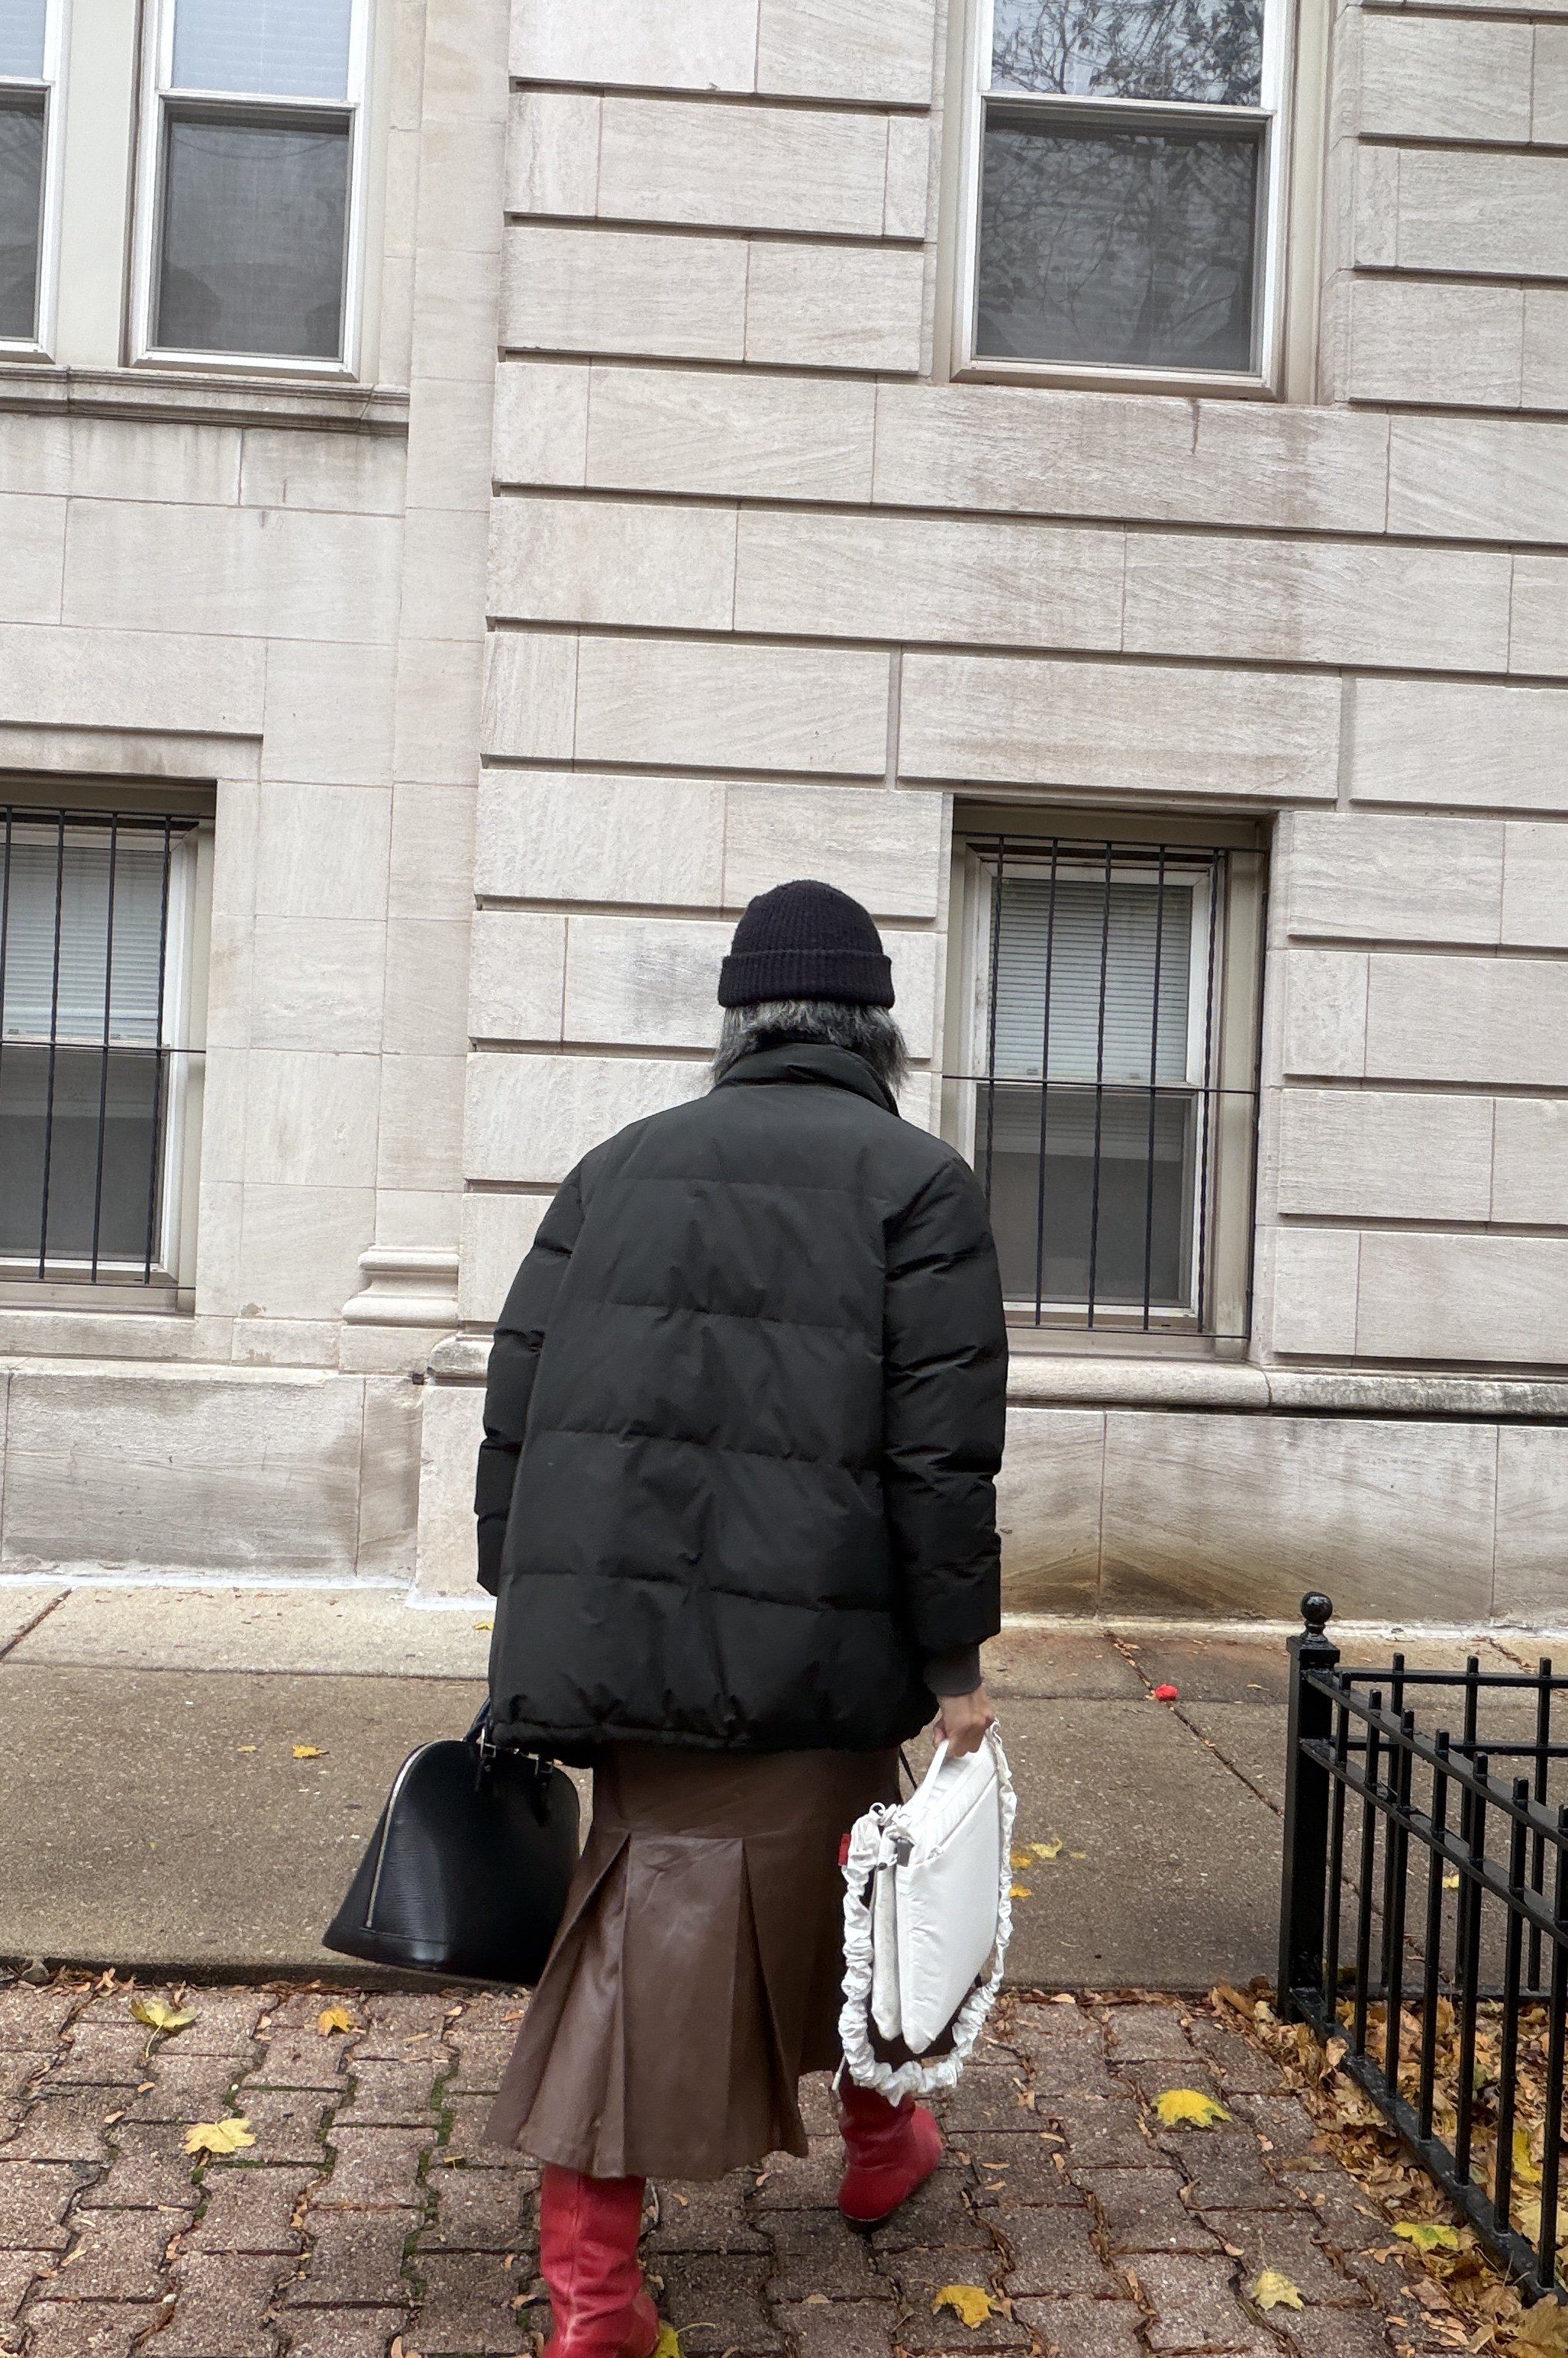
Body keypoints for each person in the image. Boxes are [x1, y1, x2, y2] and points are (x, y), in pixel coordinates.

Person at [473, 879, 1008, 2358]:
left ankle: (879, 2139)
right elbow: (941, 1452)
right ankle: (597, 2294)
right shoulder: (918, 1181)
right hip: (822, 1651)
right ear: (875, 1027)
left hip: (627, 1647)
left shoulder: (619, 1164)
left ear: (738, 1021)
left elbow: (516, 1399)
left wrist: (528, 1602)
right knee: (706, 1927)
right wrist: (956, 1658)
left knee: (837, 1888)